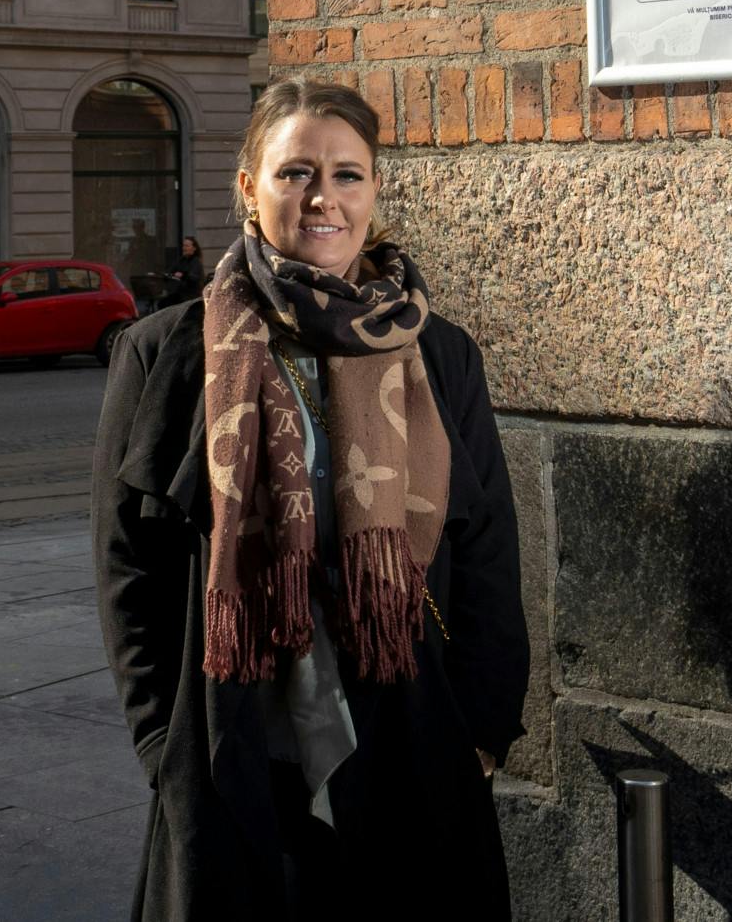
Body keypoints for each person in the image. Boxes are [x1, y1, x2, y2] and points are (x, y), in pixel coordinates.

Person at [92, 77, 528, 919]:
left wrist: (481, 733)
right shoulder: (167, 352)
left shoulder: (438, 353)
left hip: (410, 742)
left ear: (374, 189)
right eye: (295, 172)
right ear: (250, 186)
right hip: (238, 750)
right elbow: (126, 565)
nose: (323, 196)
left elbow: (489, 549)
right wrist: (161, 743)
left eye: (347, 173)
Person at [156, 235, 204, 309]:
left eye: (187, 246)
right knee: (162, 303)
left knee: (167, 304)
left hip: (190, 295)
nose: (184, 248)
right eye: (184, 246)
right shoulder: (181, 260)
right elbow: (171, 271)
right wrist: (165, 274)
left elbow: (193, 278)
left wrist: (183, 275)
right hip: (180, 293)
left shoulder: (196, 262)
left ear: (194, 248)